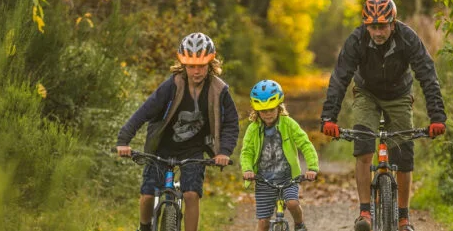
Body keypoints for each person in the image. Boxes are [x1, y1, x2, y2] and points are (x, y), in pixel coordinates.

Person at [319, 0, 447, 231]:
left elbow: (427, 74)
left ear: (393, 23)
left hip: (399, 94)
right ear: (366, 25)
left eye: (383, 26)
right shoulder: (356, 40)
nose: (378, 32)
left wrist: (437, 116)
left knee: (404, 152)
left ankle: (403, 217)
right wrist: (329, 118)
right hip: (366, 93)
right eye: (373, 27)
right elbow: (340, 77)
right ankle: (365, 212)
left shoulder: (407, 38)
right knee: (363, 144)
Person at [116, 32, 238, 231]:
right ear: (183, 64)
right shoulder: (172, 86)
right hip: (161, 147)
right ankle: (144, 227)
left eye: (201, 66)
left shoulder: (219, 90)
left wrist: (224, 152)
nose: (196, 71)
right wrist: (123, 141)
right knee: (148, 194)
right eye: (191, 66)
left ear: (211, 63)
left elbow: (231, 123)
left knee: (191, 194)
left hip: (193, 151)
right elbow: (144, 112)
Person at [239, 80, 320, 231]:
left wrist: (312, 168)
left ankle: (299, 224)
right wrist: (247, 169)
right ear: (256, 111)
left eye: (271, 110)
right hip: (264, 180)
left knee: (292, 203)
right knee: (263, 222)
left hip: (288, 178)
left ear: (279, 107)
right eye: (263, 111)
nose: (267, 114)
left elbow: (305, 144)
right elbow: (247, 152)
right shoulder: (253, 129)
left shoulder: (288, 124)